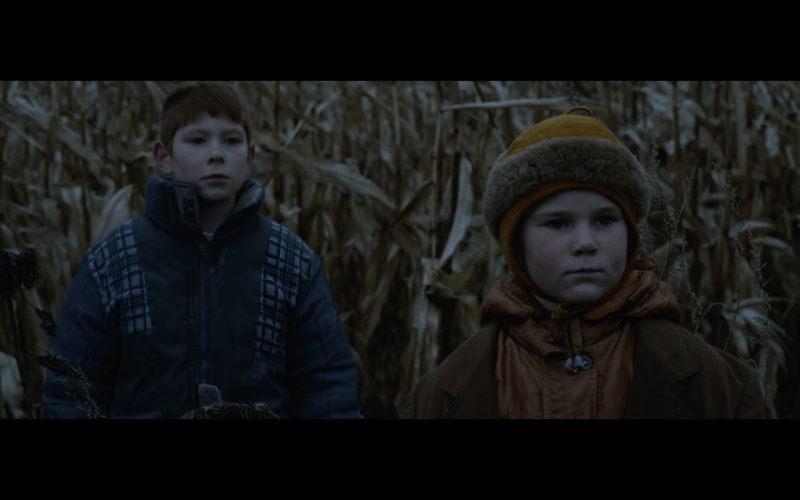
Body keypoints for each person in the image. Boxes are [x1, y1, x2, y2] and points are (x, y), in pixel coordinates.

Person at [401, 106, 765, 419]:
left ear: (630, 234)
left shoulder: (719, 385)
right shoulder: (440, 394)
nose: (586, 243)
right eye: (558, 224)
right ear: (516, 243)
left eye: (605, 220)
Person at [42, 81, 363, 419]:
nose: (216, 154)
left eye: (231, 140)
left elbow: (327, 391)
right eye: (197, 140)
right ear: (164, 157)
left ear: (249, 158)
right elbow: (73, 392)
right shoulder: (115, 260)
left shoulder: (290, 260)